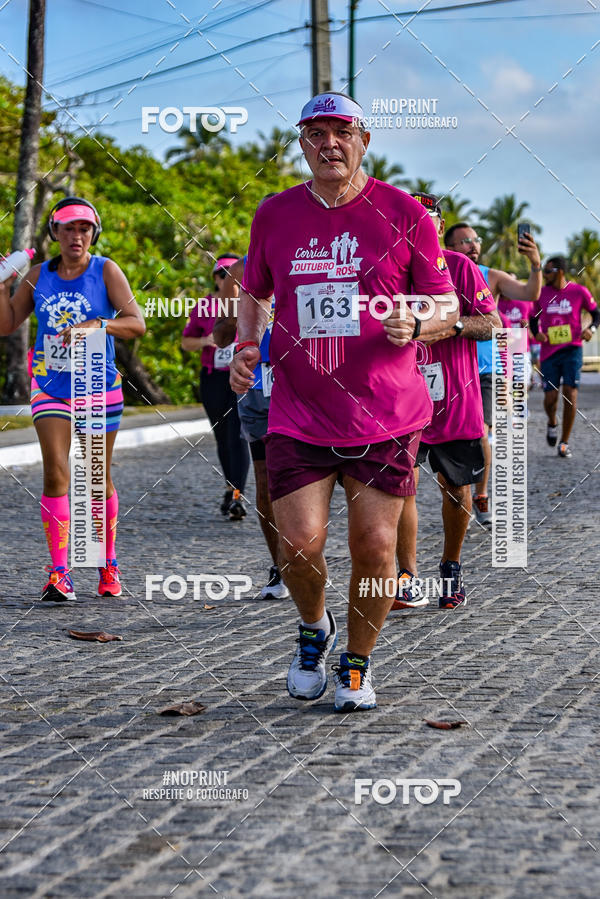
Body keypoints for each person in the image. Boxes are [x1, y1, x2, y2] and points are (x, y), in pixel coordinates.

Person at [230, 91, 458, 712]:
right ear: (301, 144)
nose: (329, 143)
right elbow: (253, 289)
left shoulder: (405, 212)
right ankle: (314, 628)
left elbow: (448, 305)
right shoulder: (274, 214)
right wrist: (245, 344)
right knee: (298, 546)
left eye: (342, 131)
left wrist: (417, 321)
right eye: (316, 133)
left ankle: (356, 664)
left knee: (376, 547)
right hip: (299, 410)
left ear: (363, 141)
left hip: (385, 412)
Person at [0, 196, 145, 601]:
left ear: (93, 233)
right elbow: (8, 323)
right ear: (55, 234)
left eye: (83, 228)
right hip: (50, 385)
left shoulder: (106, 271)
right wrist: (2, 286)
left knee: (96, 481)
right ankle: (59, 573)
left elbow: (137, 324)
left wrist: (99, 324)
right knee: (55, 472)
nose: (76, 236)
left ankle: (107, 562)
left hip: (98, 385)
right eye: (67, 229)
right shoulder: (39, 276)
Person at [392, 193, 500, 612]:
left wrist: (449, 326)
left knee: (457, 489)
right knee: (400, 491)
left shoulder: (460, 268)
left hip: (454, 399)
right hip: (399, 399)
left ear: (436, 226)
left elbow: (491, 324)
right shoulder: (386, 271)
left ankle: (451, 567)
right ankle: (407, 577)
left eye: (426, 220)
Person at [443, 221, 542, 526]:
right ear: (449, 247)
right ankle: (457, 491)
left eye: (475, 240)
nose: (472, 245)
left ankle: (481, 493)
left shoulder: (491, 276)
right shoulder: (439, 273)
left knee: (481, 429)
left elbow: (529, 292)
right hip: (453, 368)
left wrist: (535, 263)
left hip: (490, 369)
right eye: (464, 241)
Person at [214, 230, 290, 600]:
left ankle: (308, 557)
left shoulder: (313, 258)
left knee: (317, 478)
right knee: (266, 482)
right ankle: (281, 567)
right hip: (258, 389)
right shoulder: (240, 272)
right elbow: (220, 335)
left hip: (304, 384)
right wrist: (239, 314)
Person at [181, 254, 250, 519]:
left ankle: (237, 496)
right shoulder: (204, 307)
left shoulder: (251, 303)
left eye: (231, 273)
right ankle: (230, 487)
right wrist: (207, 340)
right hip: (213, 378)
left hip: (242, 377)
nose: (226, 278)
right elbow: (187, 342)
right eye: (222, 274)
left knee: (239, 435)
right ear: (215, 278)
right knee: (222, 437)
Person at [530, 255, 599, 457]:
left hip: (572, 349)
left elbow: (597, 315)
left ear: (560, 271)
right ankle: (552, 422)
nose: (544, 275)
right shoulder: (541, 294)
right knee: (550, 398)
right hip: (549, 353)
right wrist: (536, 333)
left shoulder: (579, 291)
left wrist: (591, 330)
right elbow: (533, 319)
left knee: (570, 393)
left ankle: (564, 442)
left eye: (548, 271)